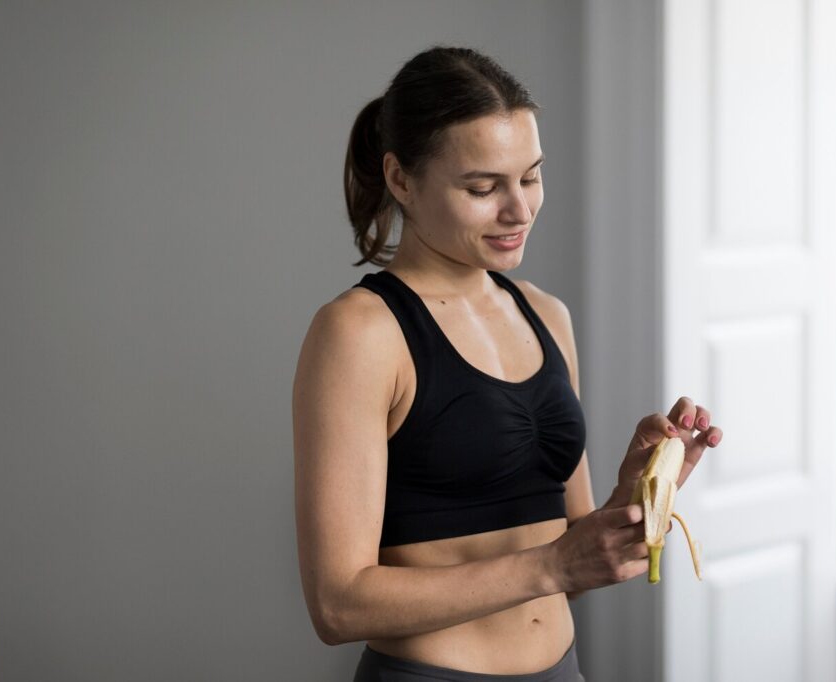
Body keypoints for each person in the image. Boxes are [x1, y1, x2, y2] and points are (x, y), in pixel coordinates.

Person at [292, 45, 723, 682]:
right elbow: (337, 604)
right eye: (482, 187)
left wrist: (634, 495)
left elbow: (570, 557)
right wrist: (552, 565)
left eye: (530, 176)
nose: (519, 209)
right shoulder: (360, 333)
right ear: (401, 179)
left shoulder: (547, 315)